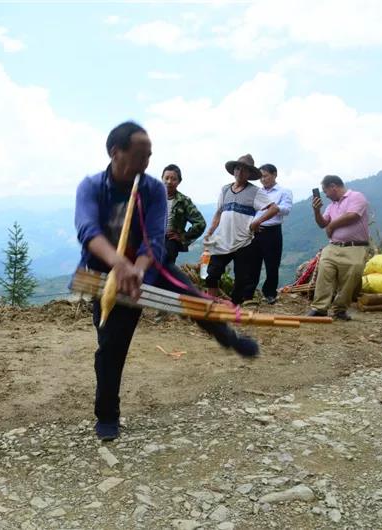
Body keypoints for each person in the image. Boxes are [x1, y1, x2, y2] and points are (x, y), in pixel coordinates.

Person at [74, 122, 259, 442]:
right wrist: (119, 265)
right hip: (104, 274)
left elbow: (154, 242)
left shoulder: (152, 189)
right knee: (110, 348)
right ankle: (107, 415)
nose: (146, 164)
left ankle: (226, 336)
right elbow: (88, 232)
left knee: (195, 299)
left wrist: (138, 269)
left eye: (150, 156)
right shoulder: (91, 187)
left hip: (150, 268)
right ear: (115, 153)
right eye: (140, 156)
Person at [202, 154, 279, 305]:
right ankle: (211, 303)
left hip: (243, 242)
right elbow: (219, 212)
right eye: (238, 168)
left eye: (244, 170)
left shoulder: (255, 191)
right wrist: (210, 231)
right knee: (212, 273)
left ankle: (234, 306)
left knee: (241, 278)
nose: (240, 172)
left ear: (250, 174)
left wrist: (257, 221)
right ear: (233, 170)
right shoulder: (225, 190)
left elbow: (274, 208)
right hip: (223, 240)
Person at [307, 175, 370, 321]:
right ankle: (319, 308)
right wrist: (316, 210)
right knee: (325, 274)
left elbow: (353, 215)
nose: (326, 195)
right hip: (333, 246)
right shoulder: (331, 206)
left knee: (350, 279)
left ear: (333, 186)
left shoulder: (356, 196)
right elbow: (322, 223)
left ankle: (340, 309)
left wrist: (332, 225)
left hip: (355, 247)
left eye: (325, 191)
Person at [244, 163, 293, 304]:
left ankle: (269, 293)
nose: (263, 180)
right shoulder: (258, 192)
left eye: (265, 176)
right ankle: (248, 293)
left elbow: (286, 209)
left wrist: (274, 209)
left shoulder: (284, 191)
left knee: (272, 264)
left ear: (274, 174)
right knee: (253, 264)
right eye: (261, 177)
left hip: (272, 231)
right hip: (255, 230)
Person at [162, 164, 206, 265]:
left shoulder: (184, 201)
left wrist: (183, 236)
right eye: (166, 178)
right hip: (152, 239)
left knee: (166, 267)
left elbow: (201, 223)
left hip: (170, 242)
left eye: (173, 179)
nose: (169, 182)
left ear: (179, 181)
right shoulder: (154, 197)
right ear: (162, 179)